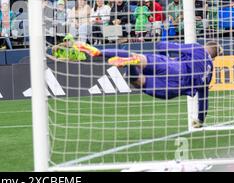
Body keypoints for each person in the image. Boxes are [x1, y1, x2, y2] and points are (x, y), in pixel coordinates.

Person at [75, 40, 222, 128]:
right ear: (214, 57)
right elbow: (203, 99)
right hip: (175, 87)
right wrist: (200, 119)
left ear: (206, 46)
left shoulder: (197, 48)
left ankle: (100, 52)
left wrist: (163, 51)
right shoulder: (209, 74)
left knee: (139, 58)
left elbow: (164, 46)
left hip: (173, 66)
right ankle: (130, 66)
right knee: (138, 82)